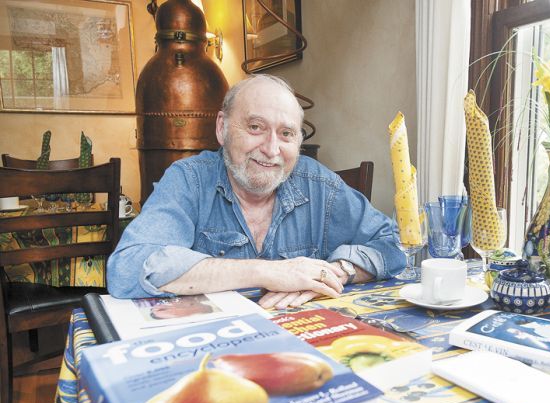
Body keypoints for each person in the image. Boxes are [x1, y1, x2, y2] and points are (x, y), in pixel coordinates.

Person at [107, 74, 404, 309]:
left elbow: (392, 244)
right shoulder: (189, 180)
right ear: (223, 128)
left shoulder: (319, 184)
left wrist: (335, 273)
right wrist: (269, 272)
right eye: (255, 127)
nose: (272, 149)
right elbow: (127, 269)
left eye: (286, 134)